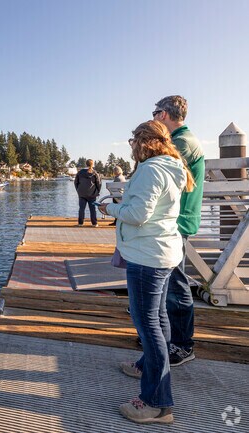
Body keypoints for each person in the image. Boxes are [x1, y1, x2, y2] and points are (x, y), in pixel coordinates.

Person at [99, 120, 194, 424]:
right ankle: (146, 367)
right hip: (165, 252)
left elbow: (138, 215)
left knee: (147, 326)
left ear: (143, 142)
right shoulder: (173, 166)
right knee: (159, 318)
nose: (131, 148)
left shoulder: (151, 169)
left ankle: (157, 402)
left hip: (147, 257)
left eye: (133, 143)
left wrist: (110, 209)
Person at [153, 95, 204, 366]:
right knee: (166, 282)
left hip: (177, 221)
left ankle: (182, 344)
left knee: (175, 284)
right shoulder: (183, 140)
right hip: (176, 220)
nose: (153, 116)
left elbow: (161, 175)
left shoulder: (181, 143)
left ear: (164, 115)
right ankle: (164, 336)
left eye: (155, 112)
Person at [74, 159, 101, 226]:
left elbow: (76, 182)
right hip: (92, 194)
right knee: (92, 209)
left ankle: (80, 223)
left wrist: (78, 190)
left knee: (81, 209)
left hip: (82, 194)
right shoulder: (95, 173)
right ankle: (94, 223)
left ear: (86, 164)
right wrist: (97, 191)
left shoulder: (80, 172)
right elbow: (99, 183)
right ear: (92, 164)